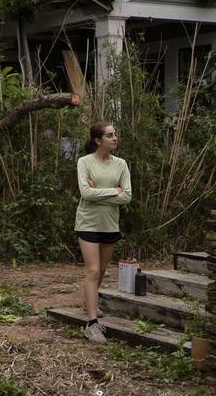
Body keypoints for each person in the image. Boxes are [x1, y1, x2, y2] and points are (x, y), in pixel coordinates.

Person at [76, 121, 131, 343]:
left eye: (115, 134)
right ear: (98, 140)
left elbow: (126, 196)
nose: (115, 138)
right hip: (87, 223)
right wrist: (113, 191)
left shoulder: (121, 164)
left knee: (103, 270)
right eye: (110, 135)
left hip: (110, 224)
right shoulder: (84, 162)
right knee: (93, 270)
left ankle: (88, 301)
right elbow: (85, 194)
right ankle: (92, 324)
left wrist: (98, 190)